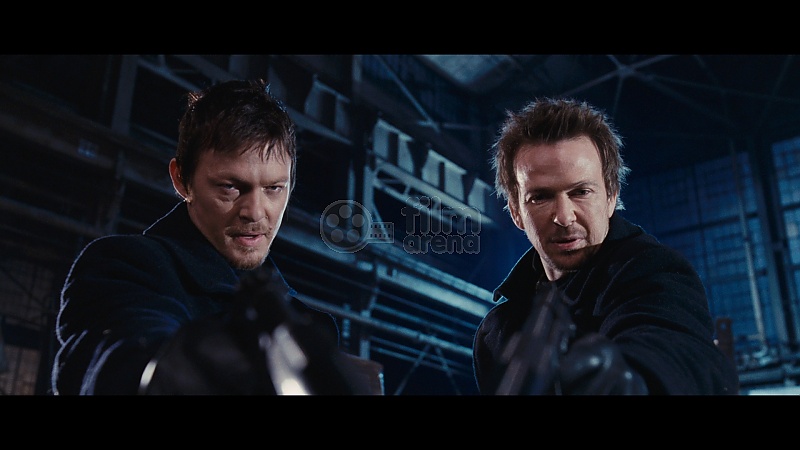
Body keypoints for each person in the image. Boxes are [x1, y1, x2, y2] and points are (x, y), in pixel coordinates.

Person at [51, 79, 365, 395]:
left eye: (273, 188)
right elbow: (118, 358)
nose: (255, 212)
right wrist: (169, 373)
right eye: (230, 187)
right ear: (182, 180)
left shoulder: (304, 319)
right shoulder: (124, 266)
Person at [472, 97, 740, 395]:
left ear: (611, 197)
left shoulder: (656, 273)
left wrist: (629, 379)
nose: (564, 217)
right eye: (541, 197)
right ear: (516, 212)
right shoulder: (496, 332)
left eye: (581, 192)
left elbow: (677, 351)